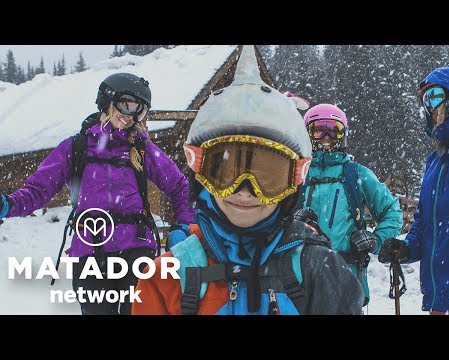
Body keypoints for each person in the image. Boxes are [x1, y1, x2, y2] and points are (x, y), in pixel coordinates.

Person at [132, 45, 364, 315]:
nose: (245, 192)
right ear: (202, 174)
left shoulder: (316, 268)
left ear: (293, 181)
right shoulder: (169, 275)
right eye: (226, 173)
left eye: (267, 176)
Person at [0, 72, 195, 315]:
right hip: (90, 254)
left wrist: (185, 225)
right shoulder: (77, 147)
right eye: (127, 105)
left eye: (140, 111)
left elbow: (180, 186)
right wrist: (9, 204)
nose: (131, 116)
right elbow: (39, 190)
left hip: (136, 250)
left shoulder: (142, 150)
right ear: (107, 102)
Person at [378, 66, 449, 315]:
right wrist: (407, 247)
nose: (430, 107)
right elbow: (426, 219)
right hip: (441, 297)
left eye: (435, 96)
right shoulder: (436, 160)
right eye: (425, 100)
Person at [301, 103, 403, 307]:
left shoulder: (356, 174)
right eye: (319, 130)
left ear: (343, 135)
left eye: (334, 130)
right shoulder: (296, 174)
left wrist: (376, 239)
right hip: (298, 273)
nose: (326, 137)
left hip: (346, 274)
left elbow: (392, 212)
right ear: (307, 134)